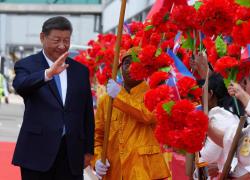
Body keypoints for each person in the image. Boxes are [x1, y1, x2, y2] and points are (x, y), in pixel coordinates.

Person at [12, 16, 94, 180]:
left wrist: (88, 150)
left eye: (66, 40)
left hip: (71, 153)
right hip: (37, 152)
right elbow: (20, 85)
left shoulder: (80, 71)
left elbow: (87, 113)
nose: (62, 46)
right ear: (43, 37)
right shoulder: (27, 65)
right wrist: (48, 74)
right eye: (56, 40)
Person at [93, 50, 171, 179]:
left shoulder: (155, 94)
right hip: (114, 172)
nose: (130, 68)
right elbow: (97, 136)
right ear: (120, 69)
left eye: (136, 63)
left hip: (145, 171)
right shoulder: (106, 100)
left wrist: (119, 96)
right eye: (126, 63)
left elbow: (147, 115)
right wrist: (97, 159)